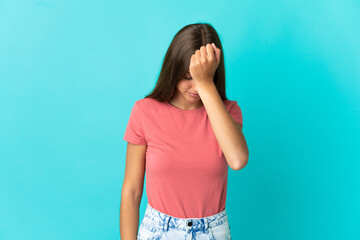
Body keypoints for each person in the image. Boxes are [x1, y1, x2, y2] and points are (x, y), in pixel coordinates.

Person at [120, 23, 249, 240]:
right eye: (189, 77)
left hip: (212, 232)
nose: (195, 88)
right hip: (158, 231)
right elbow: (132, 191)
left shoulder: (229, 112)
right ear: (174, 70)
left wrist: (205, 83)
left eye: (203, 77)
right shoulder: (144, 111)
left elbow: (237, 160)